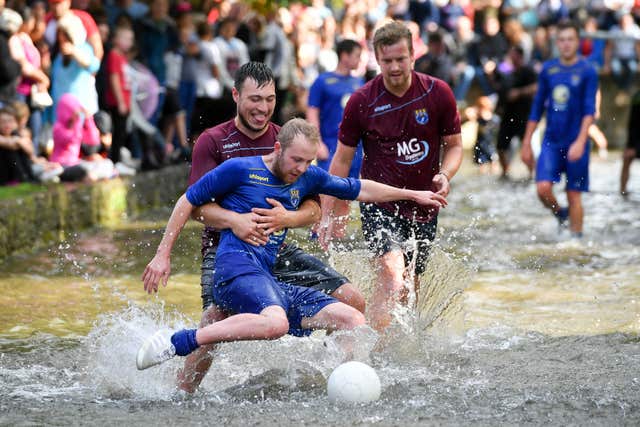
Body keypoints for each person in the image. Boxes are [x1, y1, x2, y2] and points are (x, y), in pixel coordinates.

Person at [136, 118, 448, 371]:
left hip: (267, 274)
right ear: (277, 148)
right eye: (296, 159)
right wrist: (163, 255)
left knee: (352, 318)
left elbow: (359, 188)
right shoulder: (239, 169)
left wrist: (412, 194)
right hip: (235, 267)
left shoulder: (307, 177)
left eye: (308, 161)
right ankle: (179, 341)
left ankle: (337, 384)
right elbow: (187, 201)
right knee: (275, 324)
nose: (300, 167)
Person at [161, 62, 367, 393]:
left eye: (269, 99)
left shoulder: (288, 139)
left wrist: (289, 219)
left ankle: (328, 374)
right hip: (226, 248)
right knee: (215, 321)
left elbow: (313, 208)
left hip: (278, 245)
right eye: (255, 99)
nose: (263, 107)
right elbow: (195, 207)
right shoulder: (214, 142)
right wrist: (235, 221)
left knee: (353, 300)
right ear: (235, 96)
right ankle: (181, 395)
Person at [318, 21, 463, 332]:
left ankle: (397, 345)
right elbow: (341, 159)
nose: (395, 67)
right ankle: (371, 351)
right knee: (391, 272)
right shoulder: (362, 101)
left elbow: (454, 147)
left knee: (409, 285)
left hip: (426, 201)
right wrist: (328, 211)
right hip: (379, 201)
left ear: (413, 55)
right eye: (387, 61)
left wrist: (446, 174)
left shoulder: (438, 93)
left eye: (401, 59)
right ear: (377, 60)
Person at [521, 20, 598, 239]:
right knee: (542, 188)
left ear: (578, 42)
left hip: (576, 140)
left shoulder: (588, 71)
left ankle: (576, 243)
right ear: (557, 42)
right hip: (552, 141)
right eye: (562, 40)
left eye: (570, 40)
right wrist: (527, 142)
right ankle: (560, 214)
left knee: (574, 194)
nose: (566, 44)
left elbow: (589, 110)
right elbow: (537, 108)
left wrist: (581, 141)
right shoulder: (548, 69)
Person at [307, 38, 364, 240]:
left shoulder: (360, 82)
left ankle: (338, 237)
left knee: (347, 193)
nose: (359, 60)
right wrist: (316, 142)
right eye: (357, 55)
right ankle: (317, 234)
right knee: (325, 191)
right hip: (330, 145)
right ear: (345, 55)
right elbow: (312, 111)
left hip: (356, 149)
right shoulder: (322, 81)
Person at [494, 45, 537, 178]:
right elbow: (500, 91)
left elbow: (537, 87)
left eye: (513, 54)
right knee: (500, 146)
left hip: (524, 115)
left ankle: (533, 173)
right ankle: (505, 172)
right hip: (507, 116)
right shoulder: (507, 73)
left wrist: (519, 93)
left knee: (526, 145)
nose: (511, 57)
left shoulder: (528, 71)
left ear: (519, 56)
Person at [620, 90, 640, 197]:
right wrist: (632, 145)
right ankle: (622, 190)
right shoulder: (637, 96)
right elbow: (633, 123)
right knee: (626, 159)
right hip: (635, 138)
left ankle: (623, 189)